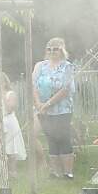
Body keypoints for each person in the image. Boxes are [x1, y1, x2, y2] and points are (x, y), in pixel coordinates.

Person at [32, 37, 77, 179]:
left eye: (55, 49)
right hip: (42, 109)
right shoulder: (40, 66)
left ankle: (67, 172)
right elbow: (33, 85)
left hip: (62, 109)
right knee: (50, 138)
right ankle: (55, 171)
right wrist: (38, 103)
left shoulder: (67, 67)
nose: (52, 52)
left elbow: (66, 89)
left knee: (63, 138)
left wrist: (48, 103)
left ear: (62, 50)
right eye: (49, 49)